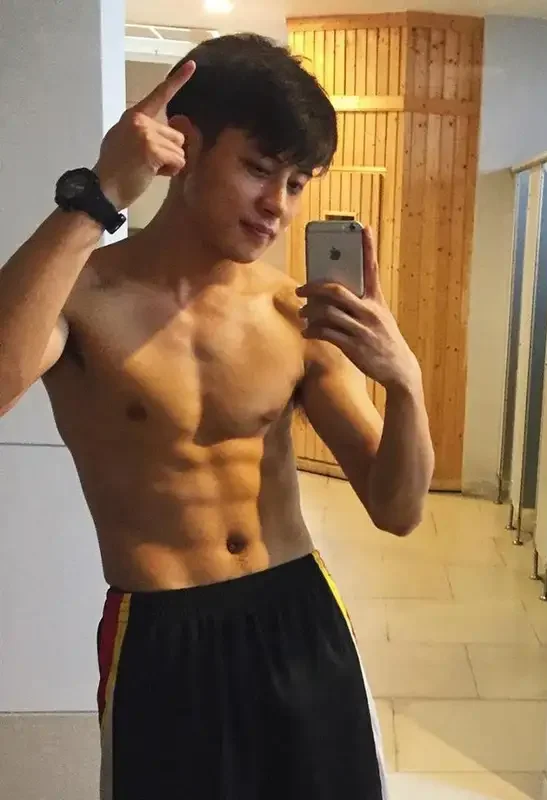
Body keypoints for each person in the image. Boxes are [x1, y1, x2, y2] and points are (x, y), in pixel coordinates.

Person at [0, 34, 434, 800]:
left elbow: (397, 510)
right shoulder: (85, 298)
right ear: (185, 146)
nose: (278, 207)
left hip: (299, 615)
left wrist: (406, 385)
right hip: (161, 635)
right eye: (259, 169)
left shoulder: (294, 311)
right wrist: (100, 192)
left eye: (296, 183)